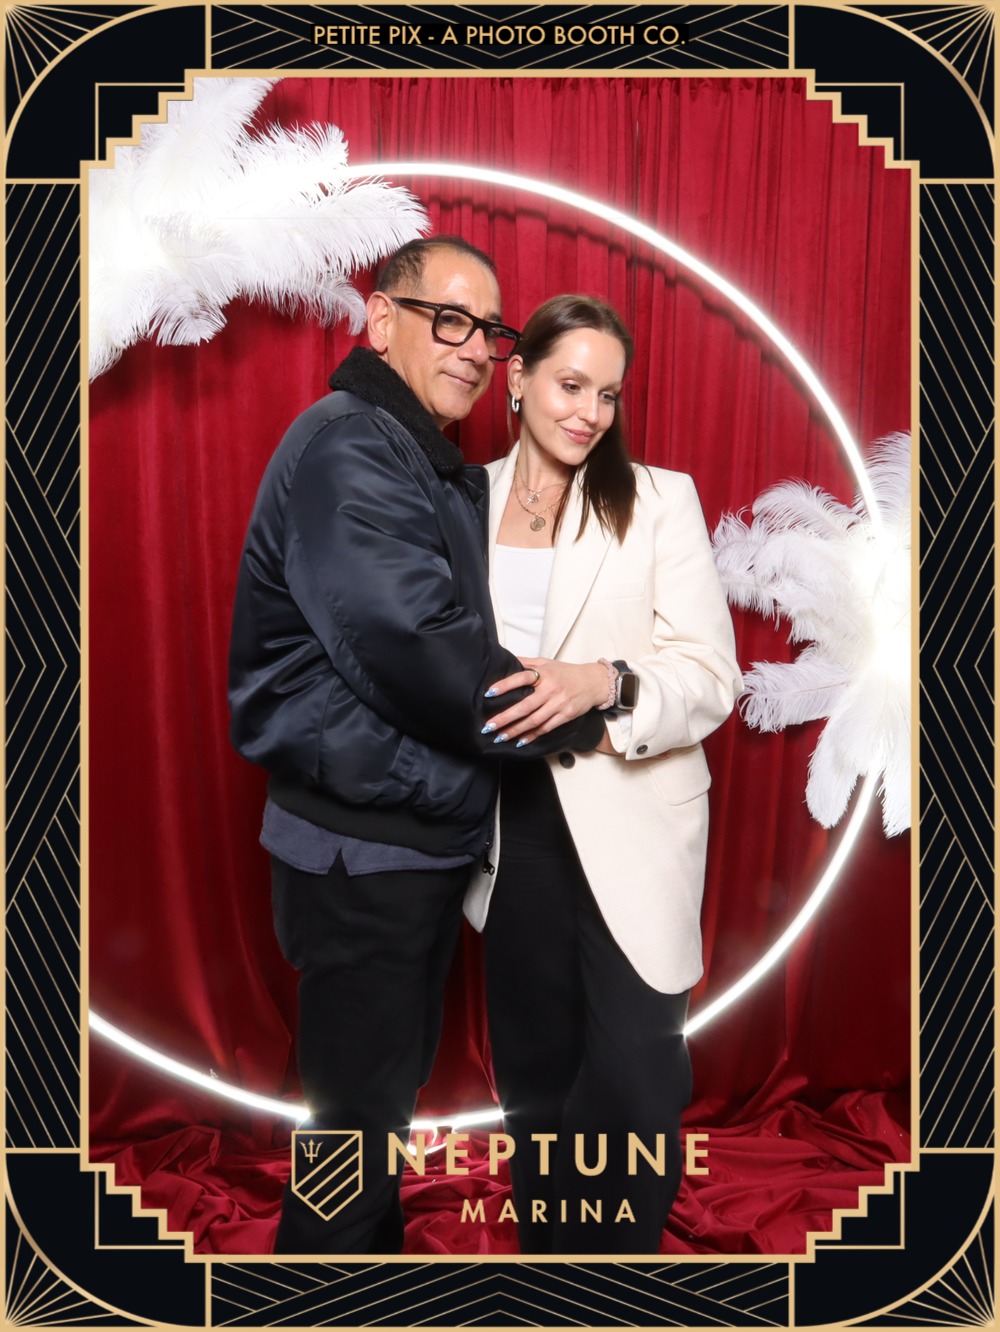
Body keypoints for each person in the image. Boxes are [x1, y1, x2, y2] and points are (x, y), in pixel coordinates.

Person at [228, 240, 605, 1256]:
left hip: (401, 840)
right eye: (451, 320)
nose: (477, 348)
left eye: (490, 331)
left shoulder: (410, 452)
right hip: (362, 851)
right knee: (354, 1131)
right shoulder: (352, 447)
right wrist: (586, 708)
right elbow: (421, 649)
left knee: (370, 1117)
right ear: (380, 319)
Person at [465, 294, 744, 1254]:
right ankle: (554, 1275)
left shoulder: (660, 500)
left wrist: (607, 682)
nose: (589, 413)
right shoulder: (460, 501)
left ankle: (616, 1281)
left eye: (609, 394)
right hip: (511, 827)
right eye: (571, 385)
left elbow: (711, 678)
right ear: (517, 379)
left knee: (635, 1078)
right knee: (536, 1080)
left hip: (635, 822)